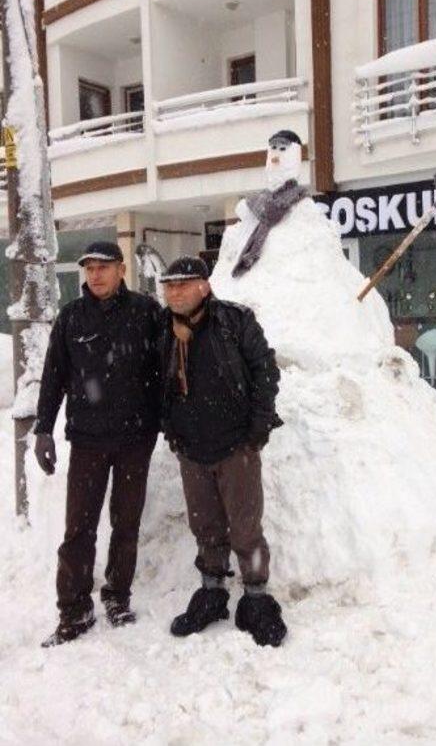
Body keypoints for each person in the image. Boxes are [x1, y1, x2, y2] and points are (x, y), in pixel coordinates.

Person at [34, 241, 161, 647]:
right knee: (79, 529)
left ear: (121, 270)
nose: (95, 275)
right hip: (87, 441)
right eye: (89, 268)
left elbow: (163, 369)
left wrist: (165, 421)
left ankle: (117, 597)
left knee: (126, 524)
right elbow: (53, 376)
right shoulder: (71, 318)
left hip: (134, 439)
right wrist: (42, 429)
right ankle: (74, 610)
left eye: (103, 267)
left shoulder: (145, 312)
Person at [158, 256, 287, 647]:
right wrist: (171, 430)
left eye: (183, 284)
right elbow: (155, 384)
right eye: (169, 285)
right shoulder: (163, 329)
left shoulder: (235, 321)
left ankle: (257, 599)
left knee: (246, 528)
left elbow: (266, 371)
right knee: (206, 527)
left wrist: (259, 427)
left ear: (204, 286)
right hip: (192, 449)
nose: (175, 292)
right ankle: (212, 592)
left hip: (236, 446)